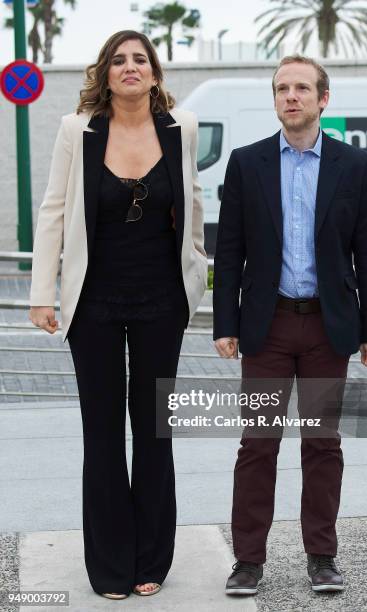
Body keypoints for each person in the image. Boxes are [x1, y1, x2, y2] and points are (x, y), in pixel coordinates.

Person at [29, 30, 207, 600]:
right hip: (94, 305)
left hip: (162, 302)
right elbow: (53, 211)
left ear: (154, 74)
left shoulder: (182, 129)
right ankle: (109, 565)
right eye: (119, 60)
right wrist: (41, 294)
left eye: (141, 59)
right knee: (101, 435)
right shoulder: (75, 131)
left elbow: (194, 209)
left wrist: (195, 284)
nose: (131, 67)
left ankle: (152, 557)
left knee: (154, 433)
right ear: (105, 74)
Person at [213, 55, 367, 595]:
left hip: (327, 330)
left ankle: (322, 557)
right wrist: (225, 322)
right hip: (267, 327)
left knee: (321, 444)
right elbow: (231, 248)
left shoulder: (353, 166)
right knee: (258, 444)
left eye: (302, 88)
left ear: (322, 99)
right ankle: (248, 561)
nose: (292, 96)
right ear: (276, 99)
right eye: (283, 88)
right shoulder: (247, 162)